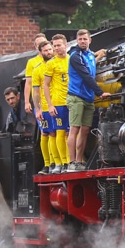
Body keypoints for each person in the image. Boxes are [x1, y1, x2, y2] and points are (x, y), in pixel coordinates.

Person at [66, 29, 111, 171]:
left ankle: (80, 161)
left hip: (88, 98)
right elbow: (86, 75)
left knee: (85, 130)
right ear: (77, 41)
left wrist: (103, 53)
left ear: (90, 40)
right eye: (80, 39)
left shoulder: (90, 55)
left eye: (85, 39)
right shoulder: (75, 56)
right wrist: (100, 92)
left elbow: (93, 59)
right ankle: (72, 162)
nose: (82, 42)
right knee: (74, 129)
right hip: (76, 96)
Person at [43, 34, 71, 173]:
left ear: (65, 45)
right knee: (59, 132)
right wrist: (50, 105)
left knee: (69, 133)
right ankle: (62, 162)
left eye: (59, 45)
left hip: (71, 100)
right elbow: (46, 85)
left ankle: (71, 160)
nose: (56, 48)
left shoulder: (71, 60)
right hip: (58, 102)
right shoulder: (51, 63)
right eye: (54, 46)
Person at [31, 40, 61, 174]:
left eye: (50, 49)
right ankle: (48, 164)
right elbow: (35, 91)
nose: (49, 52)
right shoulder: (37, 69)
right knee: (46, 132)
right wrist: (37, 109)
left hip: (58, 103)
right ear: (40, 52)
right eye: (46, 50)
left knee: (59, 132)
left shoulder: (58, 63)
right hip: (44, 106)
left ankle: (59, 162)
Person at [23, 33, 48, 116]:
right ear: (36, 47)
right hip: (39, 100)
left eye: (43, 43)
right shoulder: (32, 62)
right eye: (39, 44)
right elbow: (28, 83)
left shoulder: (54, 59)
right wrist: (27, 102)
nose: (41, 45)